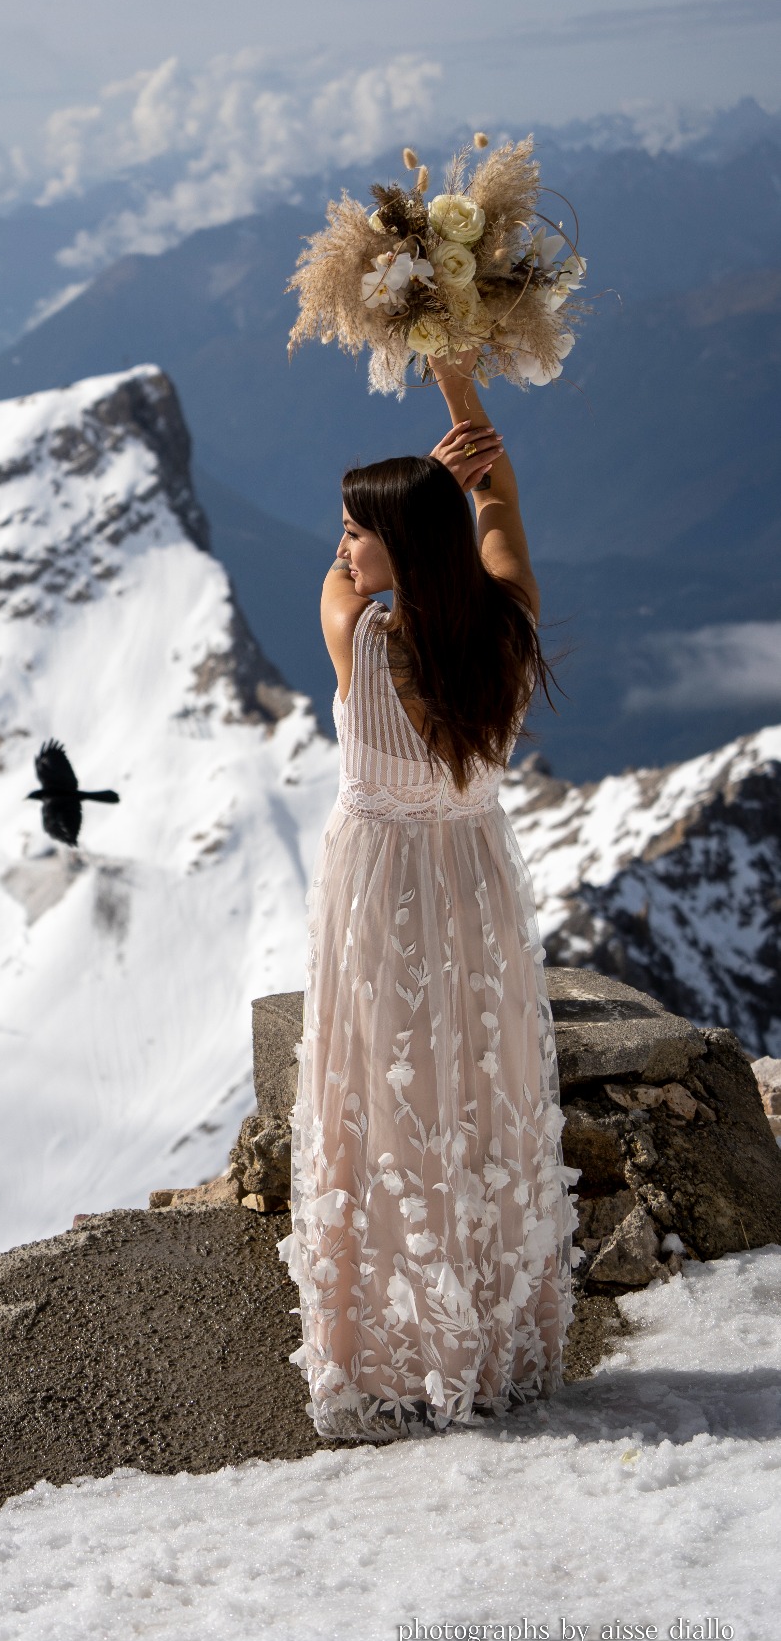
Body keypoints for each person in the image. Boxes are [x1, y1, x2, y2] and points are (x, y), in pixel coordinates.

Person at [279, 350, 576, 1440]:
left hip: (381, 898)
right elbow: (495, 503)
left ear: (395, 550)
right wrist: (459, 397)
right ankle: (485, 1333)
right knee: (472, 1096)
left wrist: (408, 506)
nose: (347, 541)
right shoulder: (506, 626)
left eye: (359, 525)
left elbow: (339, 579)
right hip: (472, 888)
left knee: (385, 1110)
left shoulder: (363, 635)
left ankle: (391, 1346)